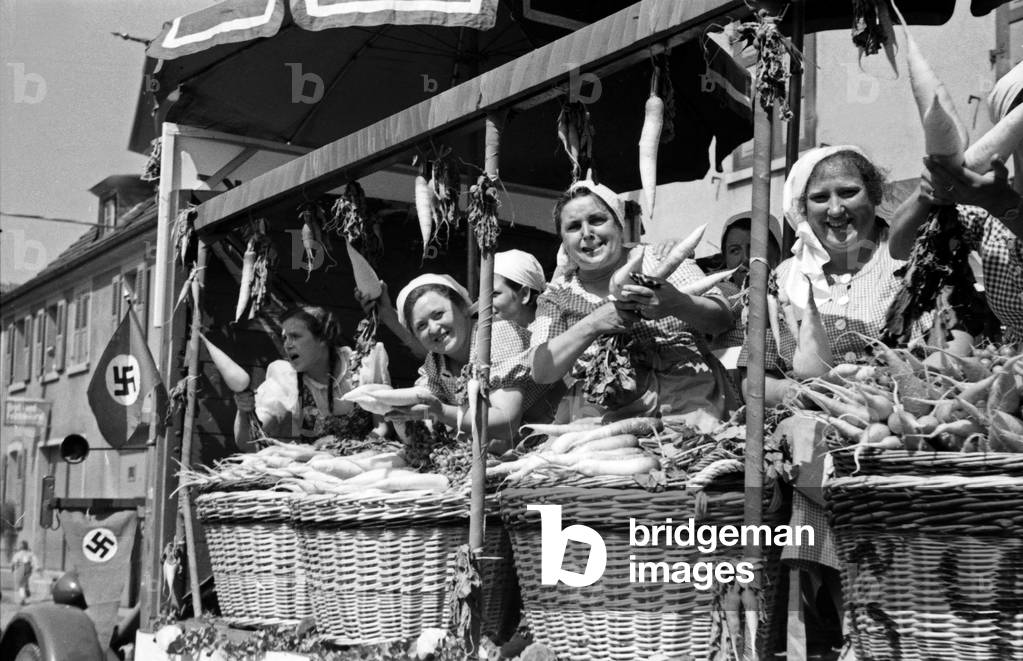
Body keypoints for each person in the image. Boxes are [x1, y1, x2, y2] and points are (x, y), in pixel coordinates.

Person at [528, 178, 736, 423]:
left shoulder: (659, 260)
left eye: (597, 220)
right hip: (602, 410)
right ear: (563, 240)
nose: (587, 234)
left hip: (688, 397)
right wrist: (594, 323)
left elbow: (722, 319)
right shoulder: (558, 294)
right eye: (574, 227)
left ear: (618, 226)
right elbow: (541, 370)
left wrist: (676, 303)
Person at [745, 145, 922, 407]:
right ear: (803, 208)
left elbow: (952, 349)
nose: (836, 209)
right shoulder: (782, 279)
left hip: (908, 422)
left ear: (874, 194)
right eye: (820, 198)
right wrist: (797, 394)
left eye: (848, 192)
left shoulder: (915, 259)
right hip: (809, 427)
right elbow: (754, 379)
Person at [889, 62, 1023, 344]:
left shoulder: (995, 201)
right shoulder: (984, 213)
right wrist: (926, 194)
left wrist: (1006, 205)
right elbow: (902, 248)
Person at [384, 274, 549, 453]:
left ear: (463, 308)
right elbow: (424, 428)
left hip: (545, 444)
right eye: (421, 326)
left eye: (438, 314)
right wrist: (399, 411)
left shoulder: (496, 337)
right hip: (500, 455)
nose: (433, 329)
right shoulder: (435, 362)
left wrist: (441, 412)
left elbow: (506, 423)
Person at [233, 305, 387, 449]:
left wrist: (346, 453)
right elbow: (248, 444)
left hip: (367, 463)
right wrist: (244, 410)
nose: (287, 345)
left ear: (322, 338)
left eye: (295, 336)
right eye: (284, 338)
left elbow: (383, 428)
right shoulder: (287, 379)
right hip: (316, 470)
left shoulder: (362, 367)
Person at [710, 211, 783, 375]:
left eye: (755, 248)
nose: (745, 258)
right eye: (735, 251)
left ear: (777, 253)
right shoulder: (721, 291)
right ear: (726, 259)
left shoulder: (790, 292)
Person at [493, 249, 547, 329]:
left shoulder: (550, 332)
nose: (485, 302)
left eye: (495, 294)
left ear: (525, 294)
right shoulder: (492, 329)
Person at [12, 540, 38, 606]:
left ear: (21, 546)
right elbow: (34, 561)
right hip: (28, 568)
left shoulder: (18, 554)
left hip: (20, 568)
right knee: (25, 582)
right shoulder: (30, 553)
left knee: (21, 585)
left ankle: (23, 599)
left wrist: (13, 570)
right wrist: (36, 568)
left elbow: (14, 562)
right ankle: (26, 592)